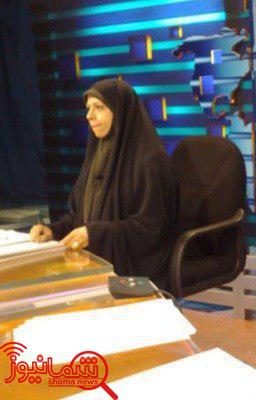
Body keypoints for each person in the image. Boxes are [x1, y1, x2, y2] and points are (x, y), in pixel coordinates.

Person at [30, 78, 177, 286]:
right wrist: (53, 230)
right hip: (95, 262)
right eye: (88, 108)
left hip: (137, 273)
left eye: (99, 107)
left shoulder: (151, 162)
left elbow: (152, 229)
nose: (89, 115)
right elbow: (80, 217)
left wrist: (95, 234)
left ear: (120, 112)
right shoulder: (97, 157)